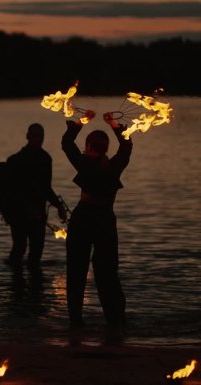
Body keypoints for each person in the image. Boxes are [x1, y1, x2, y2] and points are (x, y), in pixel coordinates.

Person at [61, 112, 132, 329]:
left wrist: (80, 123)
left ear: (89, 146)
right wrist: (114, 124)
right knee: (107, 273)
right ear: (105, 147)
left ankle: (76, 321)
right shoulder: (114, 165)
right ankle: (115, 319)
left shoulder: (84, 163)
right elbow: (127, 146)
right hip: (104, 221)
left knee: (76, 271)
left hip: (83, 219)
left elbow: (66, 143)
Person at [4, 123, 67, 269]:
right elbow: (14, 190)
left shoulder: (45, 159)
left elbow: (46, 188)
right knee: (19, 248)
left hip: (38, 215)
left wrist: (59, 206)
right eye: (35, 136)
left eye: (40, 136)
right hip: (19, 214)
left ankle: (34, 288)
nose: (38, 139)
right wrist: (28, 209)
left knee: (36, 253)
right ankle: (16, 286)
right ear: (27, 137)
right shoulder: (16, 160)